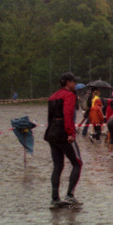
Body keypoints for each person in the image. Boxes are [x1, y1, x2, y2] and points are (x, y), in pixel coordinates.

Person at [44, 72, 84, 208]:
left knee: (58, 166)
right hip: (63, 132)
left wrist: (50, 130)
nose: (75, 84)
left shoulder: (52, 96)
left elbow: (49, 117)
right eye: (74, 82)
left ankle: (55, 198)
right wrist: (70, 133)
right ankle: (70, 195)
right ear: (68, 82)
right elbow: (68, 114)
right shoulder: (70, 96)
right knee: (77, 163)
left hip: (52, 132)